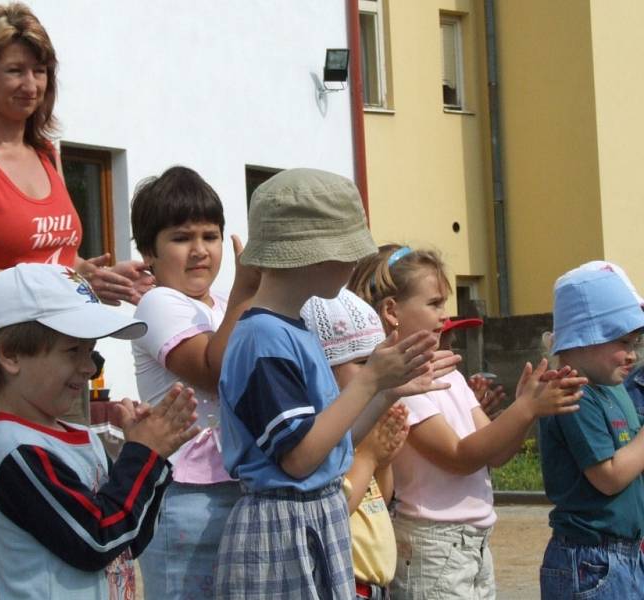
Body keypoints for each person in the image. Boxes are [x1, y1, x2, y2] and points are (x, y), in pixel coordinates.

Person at [0, 4, 152, 597]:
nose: (32, 85)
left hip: (59, 353)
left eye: (41, 71)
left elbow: (54, 264)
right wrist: (58, 278)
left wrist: (93, 277)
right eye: (15, 71)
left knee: (74, 516)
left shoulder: (48, 152)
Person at [215, 169, 449, 599]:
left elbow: (331, 445)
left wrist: (388, 391)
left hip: (309, 522)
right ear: (315, 256)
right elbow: (299, 459)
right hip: (283, 534)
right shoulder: (263, 338)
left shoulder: (292, 328)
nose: (354, 263)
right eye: (348, 252)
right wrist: (372, 379)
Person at [347, 244, 585, 599]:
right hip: (432, 544)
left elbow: (494, 453)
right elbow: (458, 456)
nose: (445, 314)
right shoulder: (401, 386)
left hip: (471, 543)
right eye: (434, 303)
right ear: (392, 311)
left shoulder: (449, 374)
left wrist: (523, 410)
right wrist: (525, 410)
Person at [0, 263, 199, 599]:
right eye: (72, 351)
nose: (88, 368)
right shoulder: (16, 450)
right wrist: (143, 455)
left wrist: (152, 457)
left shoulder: (82, 438)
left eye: (91, 352)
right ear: (10, 355)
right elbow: (96, 540)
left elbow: (127, 539)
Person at [129, 166, 259, 598]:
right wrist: (248, 292)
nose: (200, 251)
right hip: (183, 493)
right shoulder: (157, 302)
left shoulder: (225, 305)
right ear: (149, 251)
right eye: (182, 238)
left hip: (238, 483)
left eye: (211, 236)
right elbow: (213, 370)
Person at [539, 267, 644, 597]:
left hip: (621, 555)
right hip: (590, 561)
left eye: (636, 342)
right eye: (623, 341)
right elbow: (608, 476)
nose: (633, 354)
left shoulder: (612, 387)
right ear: (584, 336)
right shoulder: (573, 392)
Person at [301, 288, 409, 600]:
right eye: (363, 363)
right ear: (323, 371)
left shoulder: (363, 423)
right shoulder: (324, 435)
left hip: (379, 588)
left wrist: (384, 461)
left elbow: (380, 500)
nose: (375, 373)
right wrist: (369, 458)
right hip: (347, 587)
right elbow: (336, 508)